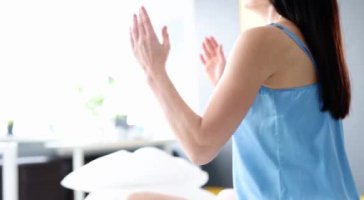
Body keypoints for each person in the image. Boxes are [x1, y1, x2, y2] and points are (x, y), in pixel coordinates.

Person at [129, 0, 360, 199]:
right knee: (227, 195)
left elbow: (200, 147)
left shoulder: (263, 40)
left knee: (134, 199)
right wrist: (225, 84)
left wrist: (154, 71)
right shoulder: (315, 43)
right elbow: (286, 125)